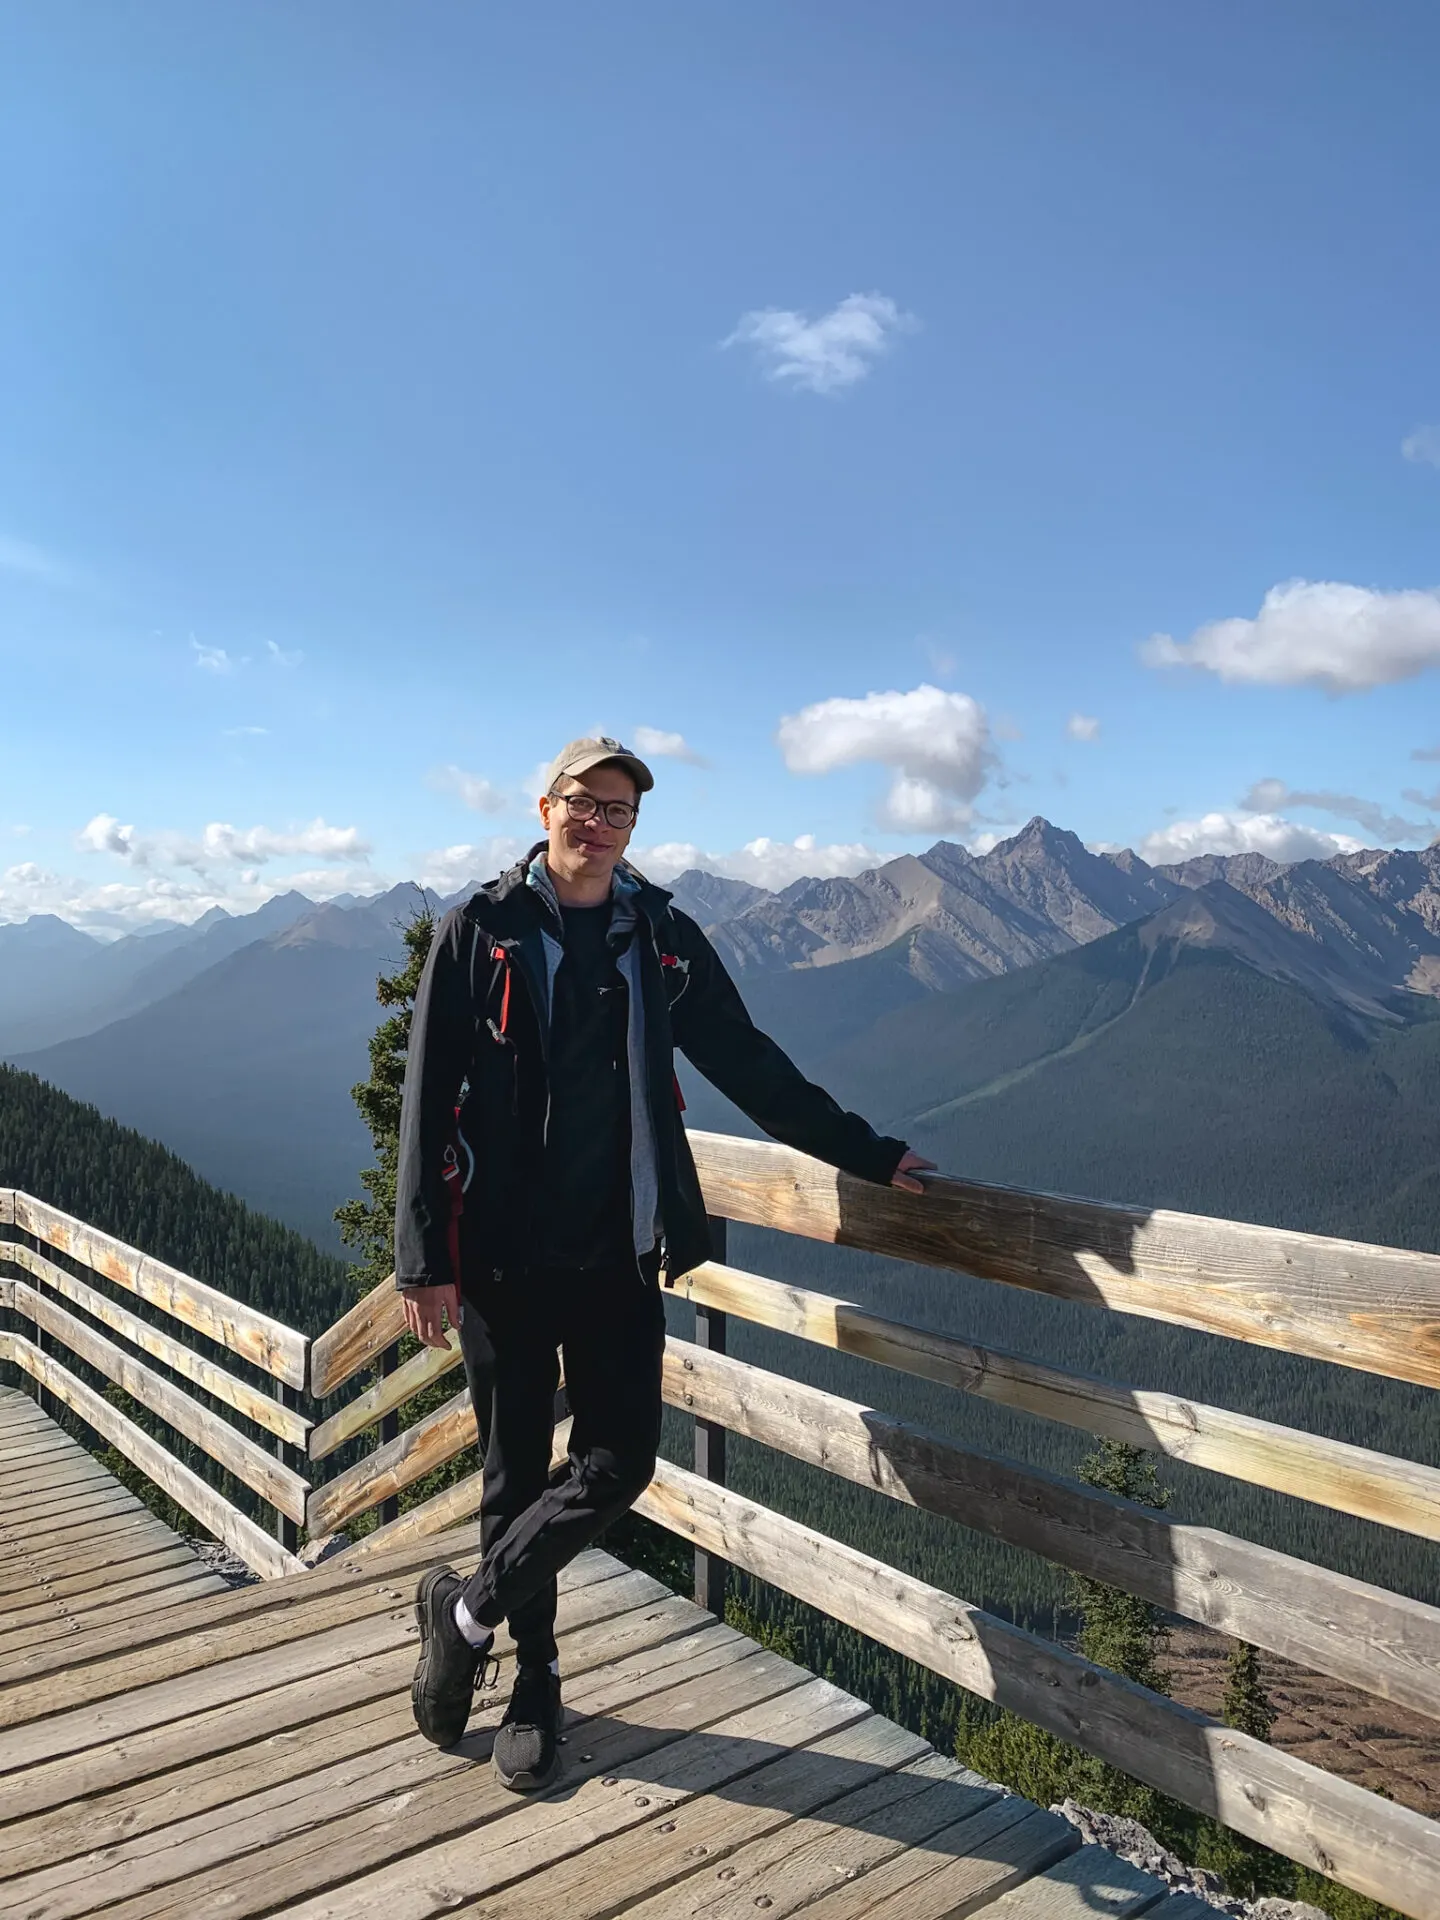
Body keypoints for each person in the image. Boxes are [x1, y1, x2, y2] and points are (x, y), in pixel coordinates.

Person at [396, 734, 934, 1791]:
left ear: (633, 827)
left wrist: (867, 1154)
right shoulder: (480, 931)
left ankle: (462, 1614)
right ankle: (535, 1682)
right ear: (543, 807)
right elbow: (427, 1096)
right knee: (514, 1482)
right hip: (501, 1260)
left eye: (619, 812)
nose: (599, 825)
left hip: (617, 1253)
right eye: (583, 805)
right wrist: (425, 1258)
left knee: (619, 1465)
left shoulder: (660, 936)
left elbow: (749, 1062)